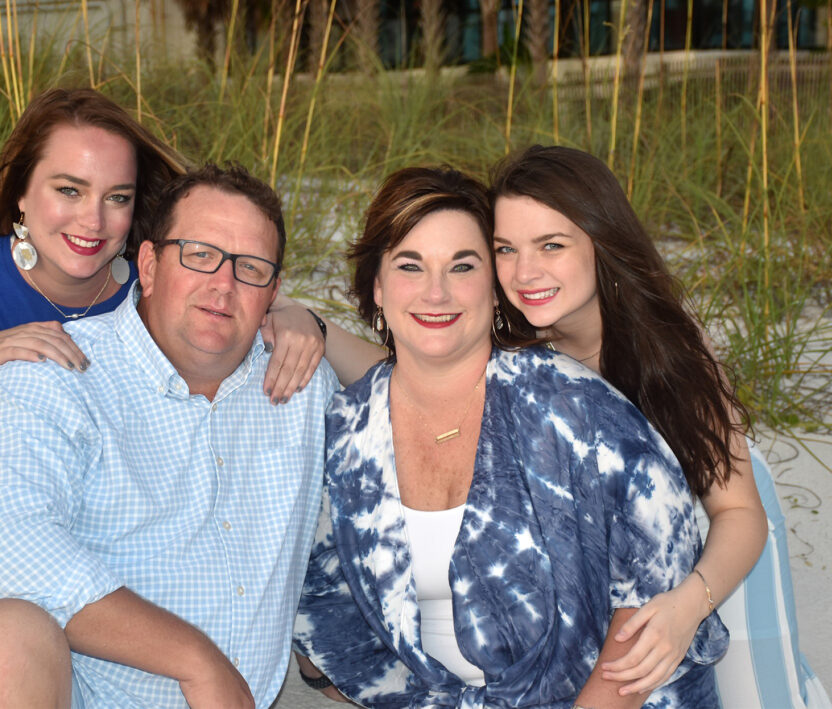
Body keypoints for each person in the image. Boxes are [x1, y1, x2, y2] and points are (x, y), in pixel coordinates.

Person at [293, 166, 728, 707]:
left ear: (495, 291)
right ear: (378, 287)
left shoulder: (579, 411)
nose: (436, 291)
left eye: (462, 265)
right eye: (410, 265)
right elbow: (321, 595)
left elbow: (651, 590)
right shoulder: (347, 433)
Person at [0, 163, 340, 708]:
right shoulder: (52, 371)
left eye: (250, 268)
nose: (223, 284)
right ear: (150, 264)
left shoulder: (302, 386)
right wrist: (195, 658)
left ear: (274, 292)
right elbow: (7, 551)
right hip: (56, 691)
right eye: (199, 254)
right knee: (3, 633)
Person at [487, 145, 830, 707]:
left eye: (552, 245)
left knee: (757, 693)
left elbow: (741, 512)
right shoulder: (511, 342)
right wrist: (313, 327)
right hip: (618, 551)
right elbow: (400, 373)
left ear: (602, 241)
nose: (525, 272)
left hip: (722, 532)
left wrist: (691, 604)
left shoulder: (668, 349)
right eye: (506, 248)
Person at [0, 88, 327, 517]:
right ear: (22, 193)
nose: (93, 221)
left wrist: (296, 315)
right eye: (69, 190)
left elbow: (234, 285)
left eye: (117, 197)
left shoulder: (155, 277)